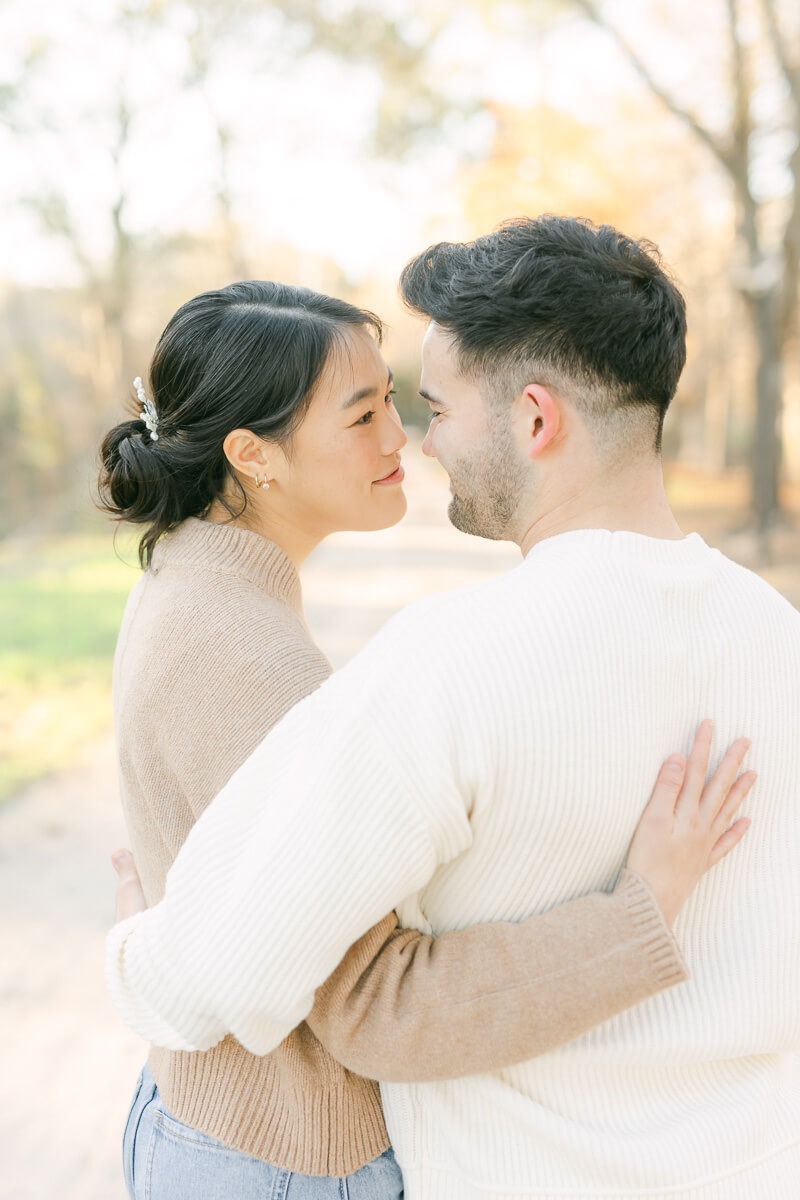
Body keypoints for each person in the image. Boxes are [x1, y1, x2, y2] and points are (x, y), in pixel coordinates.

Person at [105, 216, 800, 1198]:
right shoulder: (777, 640)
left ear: (531, 419)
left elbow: (232, 962)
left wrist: (136, 950)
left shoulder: (451, 664)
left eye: (436, 408)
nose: (421, 443)